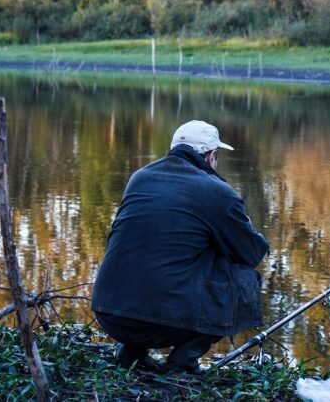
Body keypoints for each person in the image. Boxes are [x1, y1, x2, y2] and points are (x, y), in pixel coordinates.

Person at [91, 120, 269, 374]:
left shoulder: (139, 178)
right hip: (161, 324)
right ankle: (183, 361)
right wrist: (248, 227)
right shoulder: (218, 192)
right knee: (244, 277)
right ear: (211, 156)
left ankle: (131, 350)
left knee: (157, 255)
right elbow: (251, 253)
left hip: (109, 313)